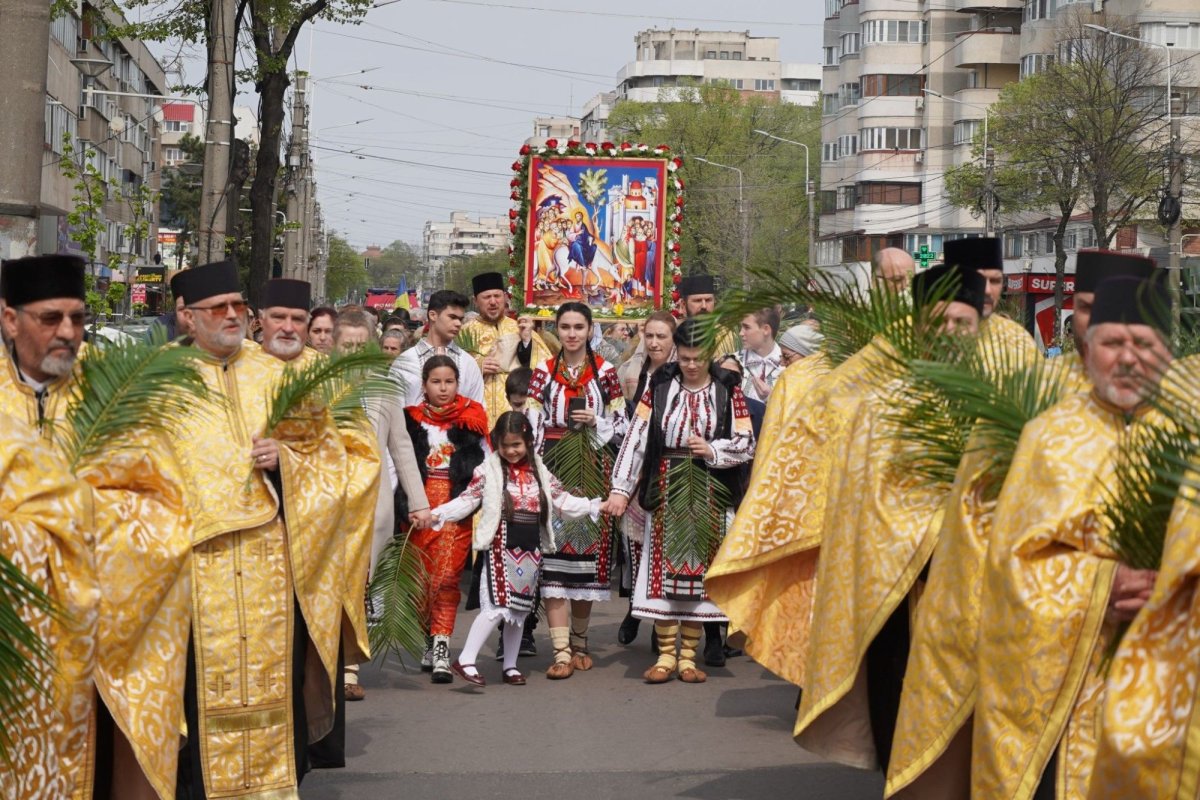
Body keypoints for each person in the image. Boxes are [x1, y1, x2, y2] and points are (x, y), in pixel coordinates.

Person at [885, 249, 1157, 799]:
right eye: (1093, 316)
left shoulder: (1185, 421)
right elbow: (992, 539)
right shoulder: (1031, 405)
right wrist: (1100, 585)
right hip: (1053, 662)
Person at [164, 260, 371, 797]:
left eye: (237, 305)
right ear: (189, 317)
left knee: (277, 693)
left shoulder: (282, 376)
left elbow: (331, 463)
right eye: (220, 309)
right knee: (195, 697)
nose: (232, 316)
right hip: (195, 570)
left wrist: (287, 460)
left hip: (271, 565)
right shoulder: (159, 380)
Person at [972, 273, 1172, 800]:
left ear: (1168, 352)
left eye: (1144, 344)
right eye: (1112, 343)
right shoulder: (1050, 438)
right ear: (1086, 349)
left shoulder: (1189, 433)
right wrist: (1099, 586)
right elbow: (1010, 564)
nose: (1128, 359)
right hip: (1073, 679)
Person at [705, 248, 913, 691]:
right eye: (891, 282)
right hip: (834, 515)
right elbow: (786, 453)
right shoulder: (809, 378)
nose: (899, 291)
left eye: (906, 281)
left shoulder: (925, 358)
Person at [603, 319, 755, 684]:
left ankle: (689, 656)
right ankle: (665, 655)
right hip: (667, 485)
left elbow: (746, 441)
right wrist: (620, 490)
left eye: (697, 358)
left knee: (697, 576)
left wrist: (713, 450)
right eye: (684, 357)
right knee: (662, 572)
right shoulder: (658, 386)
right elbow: (637, 437)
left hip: (710, 490)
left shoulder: (728, 388)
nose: (690, 365)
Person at [426, 412, 601, 686]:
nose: (510, 451)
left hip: (530, 548)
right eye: (505, 445)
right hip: (500, 544)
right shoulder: (487, 470)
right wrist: (438, 514)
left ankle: (510, 665)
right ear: (496, 443)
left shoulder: (539, 471)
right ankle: (467, 659)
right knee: (497, 606)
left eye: (516, 445)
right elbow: (467, 500)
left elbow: (561, 501)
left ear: (529, 442)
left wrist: (592, 505)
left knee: (518, 612)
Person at [527, 301, 626, 678]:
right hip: (553, 464)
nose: (571, 334)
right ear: (557, 329)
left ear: (589, 331)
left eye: (578, 327)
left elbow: (623, 424)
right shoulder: (542, 371)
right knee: (553, 560)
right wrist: (536, 470)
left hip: (592, 466)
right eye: (565, 327)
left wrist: (597, 420)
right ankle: (561, 650)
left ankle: (582, 642)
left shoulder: (606, 372)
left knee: (587, 563)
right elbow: (531, 420)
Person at [400, 356, 489, 683]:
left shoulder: (471, 419)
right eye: (436, 382)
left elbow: (485, 466)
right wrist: (406, 504)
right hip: (417, 510)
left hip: (456, 510)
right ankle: (428, 638)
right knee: (421, 581)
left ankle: (441, 645)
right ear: (424, 385)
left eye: (449, 382)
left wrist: (470, 502)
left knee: (447, 579)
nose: (443, 388)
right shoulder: (410, 421)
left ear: (458, 383)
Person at [612, 310, 677, 646]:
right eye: (649, 336)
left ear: (673, 339)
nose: (654, 343)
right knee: (635, 546)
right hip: (639, 467)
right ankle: (635, 608)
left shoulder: (681, 373)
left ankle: (660, 622)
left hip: (672, 470)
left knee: (666, 549)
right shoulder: (633, 369)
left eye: (661, 337)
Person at [391, 289, 483, 406]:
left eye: (460, 319)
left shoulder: (468, 363)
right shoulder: (405, 362)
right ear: (433, 315)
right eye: (452, 317)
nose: (458, 323)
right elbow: (393, 410)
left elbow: (478, 410)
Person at [461, 272, 521, 425]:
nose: (493, 302)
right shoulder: (463, 333)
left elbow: (542, 367)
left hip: (515, 414)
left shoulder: (520, 329)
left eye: (497, 296)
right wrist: (477, 366)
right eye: (487, 297)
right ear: (476, 301)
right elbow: (450, 371)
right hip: (478, 414)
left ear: (505, 298)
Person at [736, 307, 783, 403]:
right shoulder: (734, 362)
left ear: (766, 330)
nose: (740, 333)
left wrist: (771, 398)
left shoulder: (788, 366)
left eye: (747, 327)